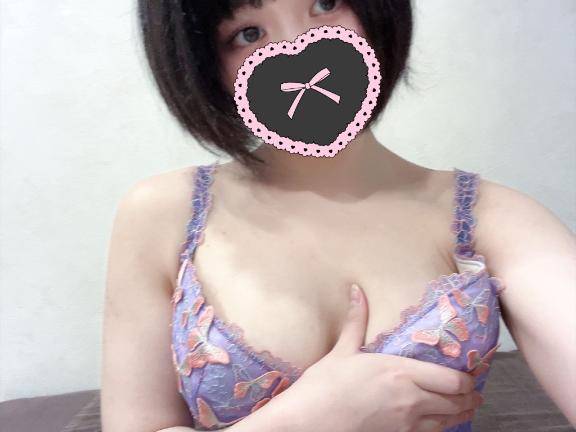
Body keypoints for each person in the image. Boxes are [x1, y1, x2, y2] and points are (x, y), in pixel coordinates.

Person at [100, 1, 576, 431]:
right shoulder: (163, 214)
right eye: (248, 33)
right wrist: (308, 420)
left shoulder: (494, 217)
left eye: (325, 4)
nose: (300, 46)